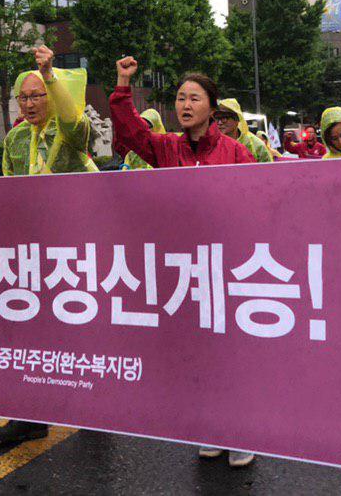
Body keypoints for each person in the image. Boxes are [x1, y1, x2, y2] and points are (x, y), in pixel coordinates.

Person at [110, 57, 255, 468]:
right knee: (198, 351)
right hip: (185, 271)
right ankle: (212, 427)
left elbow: (258, 204)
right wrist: (123, 84)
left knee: (231, 352)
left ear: (212, 107)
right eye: (180, 98)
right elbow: (130, 132)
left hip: (226, 269)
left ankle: (243, 431)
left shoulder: (236, 152)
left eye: (194, 98)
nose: (185, 105)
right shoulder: (166, 148)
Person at [0, 45, 97, 445]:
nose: (30, 103)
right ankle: (29, 416)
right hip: (33, 252)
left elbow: (73, 121)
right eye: (24, 97)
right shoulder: (15, 138)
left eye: (38, 95)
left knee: (80, 328)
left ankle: (98, 408)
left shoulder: (70, 131)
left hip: (75, 248)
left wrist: (49, 73)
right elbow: (9, 192)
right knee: (29, 332)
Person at [214, 98, 273, 162]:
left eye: (224, 118)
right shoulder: (211, 144)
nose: (219, 123)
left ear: (237, 119)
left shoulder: (256, 145)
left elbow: (269, 167)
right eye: (217, 118)